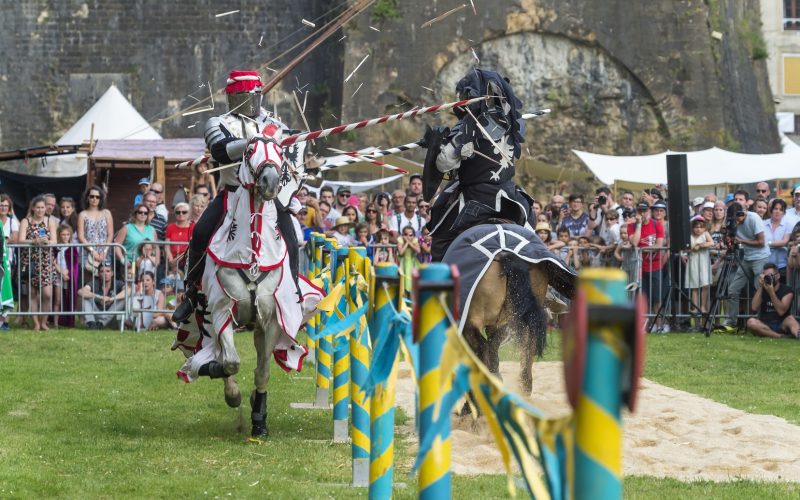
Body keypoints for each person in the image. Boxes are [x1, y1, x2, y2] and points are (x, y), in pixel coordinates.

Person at [173, 69, 299, 323]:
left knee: (292, 242)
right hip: (232, 193)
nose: (244, 102)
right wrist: (254, 142)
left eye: (248, 96)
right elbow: (220, 150)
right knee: (200, 234)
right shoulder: (218, 122)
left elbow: (291, 151)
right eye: (239, 97)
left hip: (267, 197)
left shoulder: (274, 124)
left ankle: (293, 297)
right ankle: (191, 292)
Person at [421, 69, 531, 260]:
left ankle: (443, 282)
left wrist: (435, 143)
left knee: (440, 240)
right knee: (531, 227)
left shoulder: (466, 126)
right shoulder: (514, 123)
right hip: (509, 196)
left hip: (474, 198)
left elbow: (444, 164)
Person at [724, 202, 770, 328]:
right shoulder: (732, 220)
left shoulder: (753, 218)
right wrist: (728, 240)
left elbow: (761, 242)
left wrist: (742, 241)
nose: (736, 222)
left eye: (737, 219)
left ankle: (761, 322)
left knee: (759, 290)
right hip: (747, 258)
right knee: (733, 289)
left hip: (760, 258)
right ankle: (731, 322)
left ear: (743, 213)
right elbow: (729, 239)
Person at [19, 195, 58, 331]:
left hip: (46, 261)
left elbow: (55, 241)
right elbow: (20, 240)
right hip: (30, 261)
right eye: (38, 207)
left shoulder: (49, 221)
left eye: (43, 207)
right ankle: (36, 323)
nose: (41, 210)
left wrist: (46, 241)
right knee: (32, 293)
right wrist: (33, 241)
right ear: (33, 208)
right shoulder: (26, 221)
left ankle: (44, 322)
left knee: (47, 294)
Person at [628, 201, 666, 331]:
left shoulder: (657, 225)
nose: (642, 213)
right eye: (639, 211)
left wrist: (643, 249)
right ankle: (644, 326)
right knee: (642, 298)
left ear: (649, 211)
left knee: (657, 298)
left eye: (644, 210)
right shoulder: (631, 226)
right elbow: (634, 243)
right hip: (638, 267)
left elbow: (659, 245)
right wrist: (638, 225)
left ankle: (659, 325)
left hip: (655, 266)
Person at [745, 263, 800, 339]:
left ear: (778, 276)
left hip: (782, 323)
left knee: (791, 319)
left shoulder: (787, 290)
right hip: (765, 324)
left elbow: (781, 311)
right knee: (751, 322)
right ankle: (780, 336)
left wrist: (771, 292)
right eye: (766, 276)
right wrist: (761, 287)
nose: (768, 278)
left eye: (770, 275)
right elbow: (754, 307)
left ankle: (798, 335)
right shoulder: (762, 290)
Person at [682, 215, 713, 320]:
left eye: (700, 227)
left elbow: (711, 242)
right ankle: (695, 307)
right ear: (692, 227)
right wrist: (692, 248)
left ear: (704, 228)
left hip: (703, 261)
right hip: (693, 261)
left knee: (705, 284)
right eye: (696, 227)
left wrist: (701, 245)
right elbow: (686, 249)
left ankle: (703, 306)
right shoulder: (689, 236)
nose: (698, 229)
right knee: (694, 286)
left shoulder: (705, 234)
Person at [78, 262, 126, 329]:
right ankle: (91, 324)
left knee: (123, 298)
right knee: (85, 297)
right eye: (102, 271)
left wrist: (111, 299)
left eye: (108, 271)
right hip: (97, 316)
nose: (105, 274)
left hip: (111, 317)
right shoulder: (95, 282)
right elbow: (81, 291)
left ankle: (102, 323)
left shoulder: (118, 283)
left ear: (112, 273)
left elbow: (128, 291)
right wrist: (99, 297)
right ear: (98, 274)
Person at [77, 186, 113, 274]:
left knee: (104, 279)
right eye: (92, 196)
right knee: (87, 280)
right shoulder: (82, 214)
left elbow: (110, 234)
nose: (94, 199)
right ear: (87, 198)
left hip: (105, 252)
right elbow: (81, 236)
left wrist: (105, 251)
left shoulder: (106, 213)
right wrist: (92, 251)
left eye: (97, 197)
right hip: (87, 252)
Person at [54, 224, 81, 327]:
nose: (65, 237)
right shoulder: (56, 247)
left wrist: (68, 273)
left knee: (69, 298)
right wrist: (61, 272)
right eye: (63, 234)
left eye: (67, 234)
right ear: (59, 235)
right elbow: (53, 262)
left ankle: (68, 321)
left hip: (69, 276)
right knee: (58, 299)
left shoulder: (72, 248)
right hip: (58, 275)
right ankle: (56, 323)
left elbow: (74, 264)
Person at [764, 198, 790, 283]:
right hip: (766, 264)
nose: (777, 211)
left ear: (784, 212)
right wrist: (777, 244)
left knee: (781, 291)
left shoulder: (787, 225)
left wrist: (767, 243)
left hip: (782, 265)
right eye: (775, 208)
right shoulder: (763, 223)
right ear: (771, 210)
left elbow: (785, 241)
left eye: (780, 209)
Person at [165, 202, 194, 274]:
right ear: (175, 214)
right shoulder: (170, 227)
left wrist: (176, 260)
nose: (181, 214)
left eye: (184, 212)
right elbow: (167, 246)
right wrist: (171, 261)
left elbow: (192, 246)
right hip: (172, 262)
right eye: (178, 212)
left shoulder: (192, 227)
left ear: (188, 214)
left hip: (187, 261)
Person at [397, 225, 421, 291]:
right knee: (403, 279)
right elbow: (401, 253)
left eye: (410, 235)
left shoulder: (415, 240)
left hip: (413, 262)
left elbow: (418, 250)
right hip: (403, 261)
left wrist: (409, 243)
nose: (408, 236)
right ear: (402, 235)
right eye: (405, 234)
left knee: (412, 278)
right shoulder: (400, 240)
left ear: (413, 235)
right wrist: (407, 243)